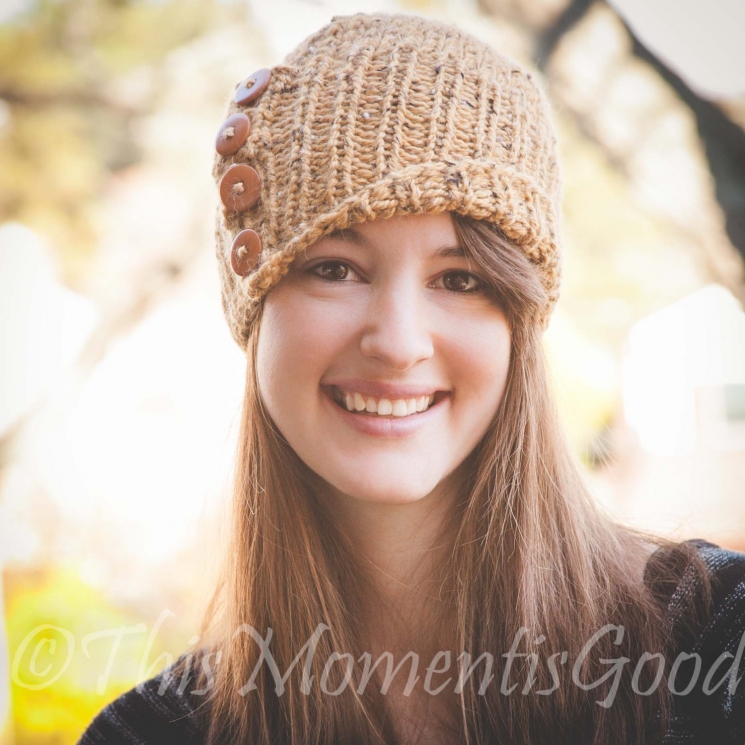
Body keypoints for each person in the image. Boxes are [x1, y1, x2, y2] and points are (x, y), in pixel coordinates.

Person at [78, 12, 745, 745]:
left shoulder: (718, 645)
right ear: (254, 304)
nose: (397, 342)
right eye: (332, 268)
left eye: (460, 278)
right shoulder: (151, 735)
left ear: (519, 322)